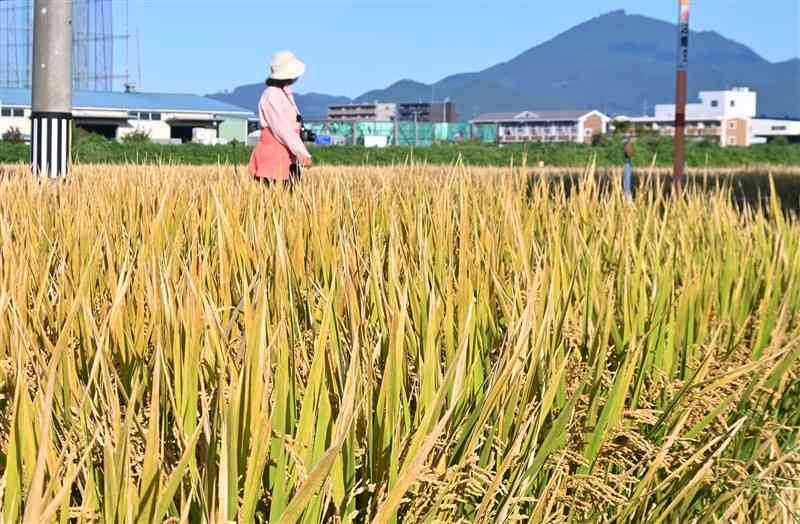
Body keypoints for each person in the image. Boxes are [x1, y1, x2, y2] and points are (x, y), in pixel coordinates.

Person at [248, 51, 312, 186]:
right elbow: (282, 128)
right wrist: (302, 152)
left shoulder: (283, 93)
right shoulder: (273, 95)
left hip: (287, 157)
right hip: (274, 159)